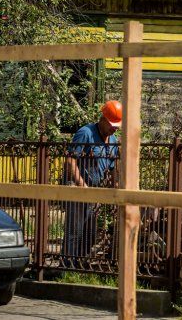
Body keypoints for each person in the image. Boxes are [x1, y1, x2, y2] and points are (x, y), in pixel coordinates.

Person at [62, 101, 122, 260]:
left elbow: (112, 169)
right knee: (75, 230)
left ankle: (81, 263)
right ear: (103, 119)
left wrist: (115, 193)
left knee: (90, 232)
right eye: (112, 125)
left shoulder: (113, 140)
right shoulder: (86, 133)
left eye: (117, 126)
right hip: (78, 188)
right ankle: (67, 264)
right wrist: (83, 186)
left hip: (95, 190)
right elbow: (70, 161)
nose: (114, 129)